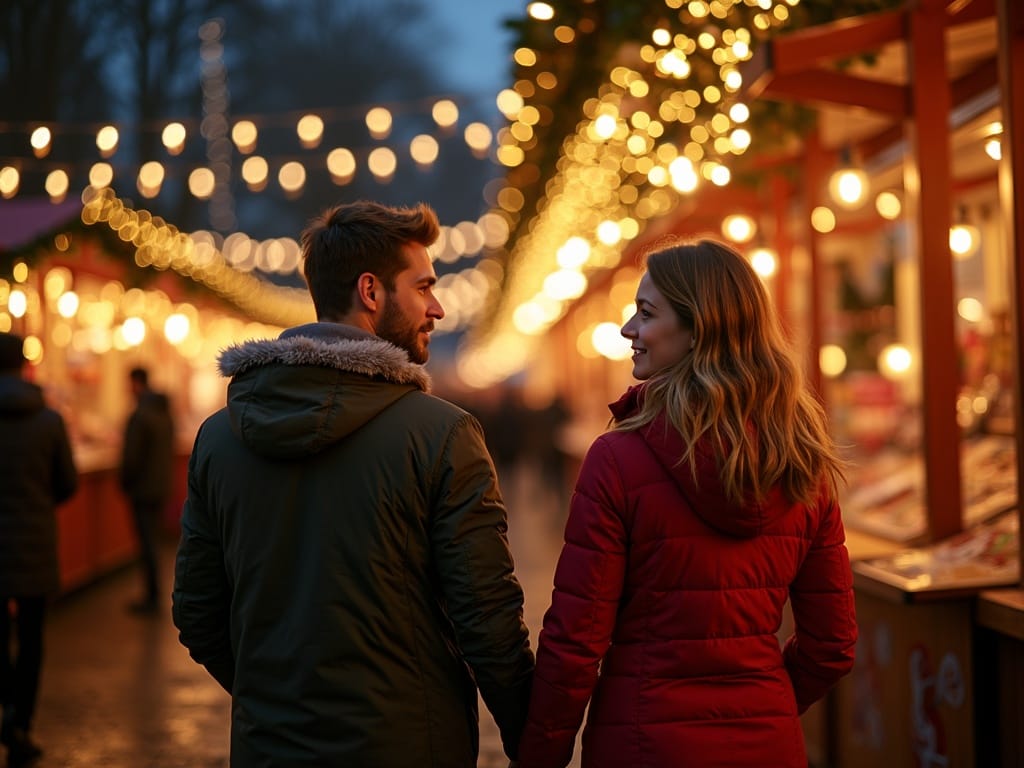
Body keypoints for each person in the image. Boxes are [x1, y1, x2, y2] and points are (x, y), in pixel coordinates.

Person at [172, 200, 534, 767]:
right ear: (371, 292)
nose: (437, 307)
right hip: (410, 743)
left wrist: (278, 699)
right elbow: (487, 619)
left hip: (270, 748)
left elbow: (198, 611)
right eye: (423, 287)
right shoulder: (442, 434)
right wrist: (533, 739)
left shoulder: (218, 440)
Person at [517, 240, 858, 768]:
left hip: (642, 741)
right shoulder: (803, 461)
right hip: (768, 744)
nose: (628, 330)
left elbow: (576, 645)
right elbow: (832, 645)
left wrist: (539, 756)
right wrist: (763, 707)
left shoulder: (616, 459)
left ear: (700, 328)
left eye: (646, 313)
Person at [0, 332, 78, 767]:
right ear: (24, 366)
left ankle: (6, 706)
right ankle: (19, 723)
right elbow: (67, 483)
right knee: (31, 639)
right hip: (34, 544)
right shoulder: (49, 420)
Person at [120, 366, 175, 614]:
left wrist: (124, 483)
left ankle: (151, 597)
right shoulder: (164, 414)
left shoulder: (140, 416)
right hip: (160, 486)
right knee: (154, 542)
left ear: (136, 383)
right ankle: (155, 593)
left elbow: (131, 459)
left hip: (142, 489)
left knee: (147, 544)